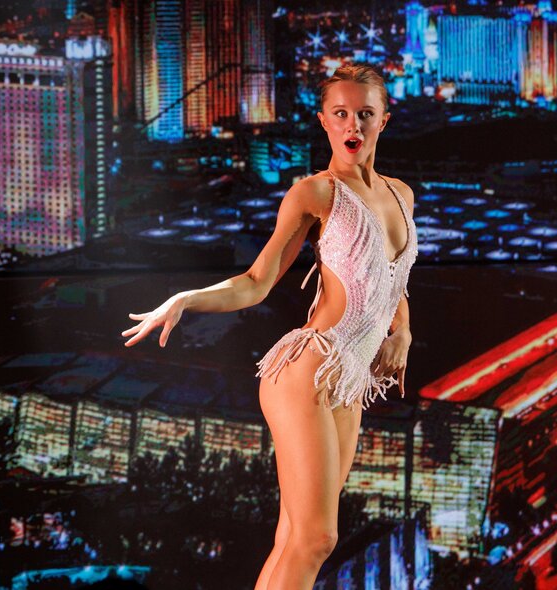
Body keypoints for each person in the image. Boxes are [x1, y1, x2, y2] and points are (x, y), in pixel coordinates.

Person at [121, 64, 417, 589]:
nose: (354, 124)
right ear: (324, 121)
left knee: (295, 539)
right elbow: (256, 281)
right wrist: (188, 299)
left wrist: (403, 331)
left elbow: (394, 278)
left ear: (383, 122)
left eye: (365, 114)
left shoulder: (401, 194)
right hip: (307, 366)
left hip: (348, 381)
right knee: (315, 538)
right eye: (342, 113)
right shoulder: (315, 195)